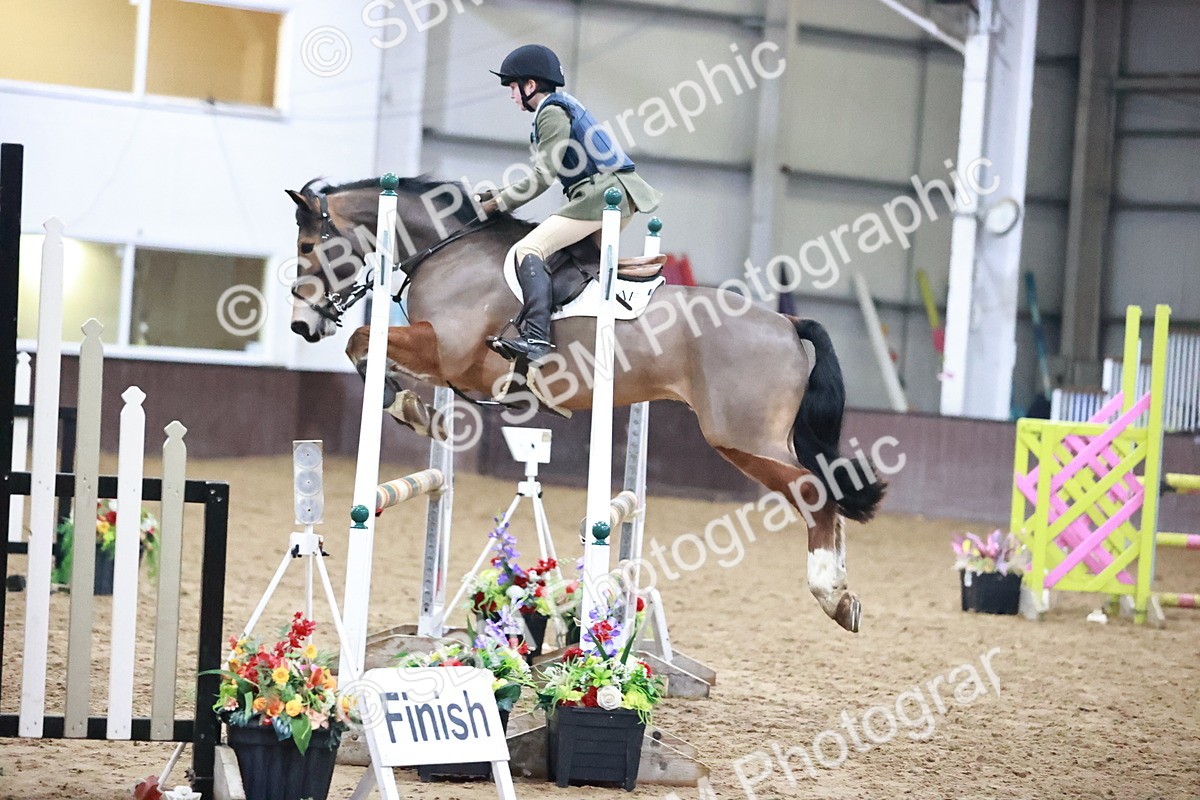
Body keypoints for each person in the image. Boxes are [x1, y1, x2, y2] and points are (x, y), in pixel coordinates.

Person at [478, 44, 662, 365]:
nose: (511, 95)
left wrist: (497, 205)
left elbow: (541, 177)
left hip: (600, 196)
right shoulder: (562, 106)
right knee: (572, 266)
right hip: (611, 194)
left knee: (528, 250)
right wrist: (497, 193)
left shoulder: (550, 112)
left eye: (512, 87)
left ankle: (536, 336)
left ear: (530, 86)